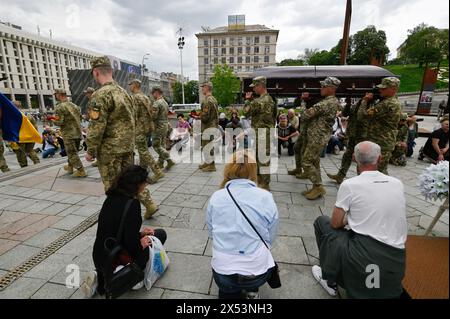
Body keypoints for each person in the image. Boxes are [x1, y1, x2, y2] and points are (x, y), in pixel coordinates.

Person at [313, 141, 407, 299]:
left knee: (322, 222)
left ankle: (328, 277)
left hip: (363, 257)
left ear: (353, 158)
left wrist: (350, 219)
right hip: (395, 258)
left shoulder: (350, 185)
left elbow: (335, 223)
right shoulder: (397, 184)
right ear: (380, 158)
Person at [85, 56, 158, 219]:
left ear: (96, 73)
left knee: (113, 186)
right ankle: (149, 203)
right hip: (127, 147)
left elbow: (97, 127)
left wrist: (90, 150)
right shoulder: (125, 93)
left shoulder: (99, 95)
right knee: (131, 180)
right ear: (110, 71)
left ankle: (120, 216)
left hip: (110, 150)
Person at [82, 165, 168, 298]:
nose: (145, 186)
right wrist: (142, 243)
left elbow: (115, 231)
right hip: (116, 257)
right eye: (144, 183)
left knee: (148, 236)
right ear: (137, 185)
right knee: (159, 235)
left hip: (100, 254)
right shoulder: (132, 204)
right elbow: (130, 244)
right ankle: (122, 277)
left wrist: (141, 234)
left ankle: (101, 275)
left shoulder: (110, 198)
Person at [207, 151, 279, 299]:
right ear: (253, 171)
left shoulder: (216, 197)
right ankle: (252, 291)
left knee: (226, 292)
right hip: (256, 270)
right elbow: (270, 237)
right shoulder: (266, 197)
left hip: (223, 270)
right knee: (256, 266)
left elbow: (211, 233)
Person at [299, 77, 342, 200]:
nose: (321, 88)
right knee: (314, 162)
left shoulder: (326, 103)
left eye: (323, 86)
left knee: (306, 161)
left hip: (317, 137)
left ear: (331, 88)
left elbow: (305, 115)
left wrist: (303, 101)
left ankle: (318, 186)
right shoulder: (333, 102)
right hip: (318, 136)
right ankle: (315, 187)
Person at [356, 77, 402, 175]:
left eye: (384, 88)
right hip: (383, 141)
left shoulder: (387, 103)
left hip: (381, 142)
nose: (380, 90)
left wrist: (365, 100)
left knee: (375, 171)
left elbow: (362, 116)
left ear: (394, 89)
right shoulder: (392, 101)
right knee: (381, 170)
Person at [243, 76, 277, 191]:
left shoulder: (259, 101)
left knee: (262, 158)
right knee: (261, 157)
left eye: (255, 87)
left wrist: (247, 100)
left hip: (262, 133)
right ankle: (260, 180)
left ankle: (265, 183)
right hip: (265, 132)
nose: (253, 90)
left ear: (260, 86)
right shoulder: (271, 99)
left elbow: (246, 113)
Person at [129, 79, 165, 184]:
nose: (130, 86)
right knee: (142, 150)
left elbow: (134, 115)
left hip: (140, 128)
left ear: (135, 85)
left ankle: (157, 171)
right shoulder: (145, 97)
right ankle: (142, 171)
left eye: (130, 84)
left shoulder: (135, 98)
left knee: (143, 151)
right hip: (148, 127)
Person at [327, 99, 369, 184]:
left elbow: (361, 116)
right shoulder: (357, 102)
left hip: (362, 135)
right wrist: (348, 103)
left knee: (360, 158)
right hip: (353, 134)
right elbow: (345, 114)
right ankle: (340, 175)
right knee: (347, 155)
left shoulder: (369, 102)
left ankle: (362, 180)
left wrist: (365, 100)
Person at [53, 88, 87, 177]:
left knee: (72, 153)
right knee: (72, 151)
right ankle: (70, 166)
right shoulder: (75, 106)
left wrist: (53, 120)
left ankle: (81, 170)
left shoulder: (60, 107)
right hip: (77, 132)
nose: (55, 96)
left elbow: (59, 121)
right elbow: (80, 118)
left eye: (55, 94)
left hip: (69, 134)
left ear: (59, 95)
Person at [151, 86, 176, 171]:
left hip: (158, 126)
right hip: (165, 126)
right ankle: (160, 163)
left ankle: (169, 160)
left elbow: (153, 117)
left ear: (156, 92)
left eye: (153, 93)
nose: (152, 95)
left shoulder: (157, 103)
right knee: (162, 145)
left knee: (156, 145)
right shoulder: (165, 102)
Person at [11, 100, 40, 168]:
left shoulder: (12, 117)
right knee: (30, 150)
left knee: (20, 153)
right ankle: (37, 162)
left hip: (20, 138)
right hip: (30, 137)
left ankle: (24, 167)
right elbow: (35, 126)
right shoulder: (28, 115)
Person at [198, 82, 219, 172]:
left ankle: (211, 165)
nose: (202, 89)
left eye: (203, 87)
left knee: (207, 146)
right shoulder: (213, 99)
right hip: (212, 125)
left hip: (208, 126)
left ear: (207, 88)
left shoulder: (207, 100)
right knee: (206, 145)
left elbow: (205, 117)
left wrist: (198, 116)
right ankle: (208, 162)